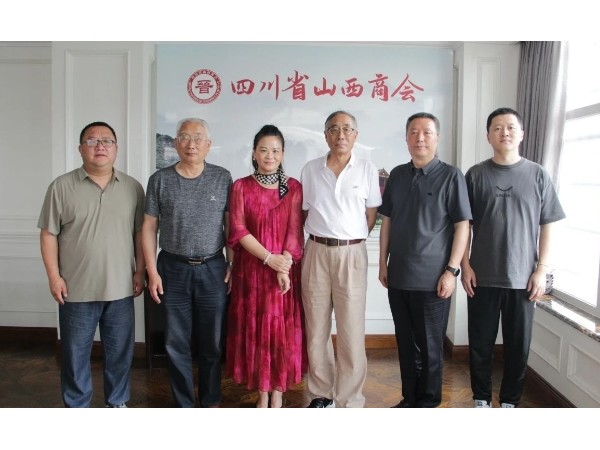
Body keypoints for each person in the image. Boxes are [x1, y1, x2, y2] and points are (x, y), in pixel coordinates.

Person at [460, 107, 566, 408]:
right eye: (497, 128)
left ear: (521, 134)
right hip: (481, 277)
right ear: (488, 136)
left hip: (523, 278)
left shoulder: (538, 174)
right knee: (480, 344)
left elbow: (548, 224)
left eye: (510, 127)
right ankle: (481, 399)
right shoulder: (475, 175)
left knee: (518, 347)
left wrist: (541, 269)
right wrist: (465, 265)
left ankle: (509, 402)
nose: (504, 132)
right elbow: (463, 225)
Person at [38, 121, 145, 408]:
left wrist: (140, 270)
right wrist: (53, 276)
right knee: (74, 355)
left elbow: (140, 233)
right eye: (92, 141)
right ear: (80, 148)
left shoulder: (133, 188)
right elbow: (48, 234)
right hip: (75, 290)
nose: (100, 146)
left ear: (116, 148)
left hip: (121, 288)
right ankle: (77, 406)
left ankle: (117, 402)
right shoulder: (61, 186)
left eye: (107, 141)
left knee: (120, 353)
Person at [378, 112, 471, 408]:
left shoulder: (451, 176)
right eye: (414, 132)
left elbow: (462, 226)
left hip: (433, 280)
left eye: (427, 132)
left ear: (437, 138)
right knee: (406, 345)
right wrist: (382, 263)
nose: (420, 138)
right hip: (399, 276)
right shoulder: (397, 175)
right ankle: (410, 399)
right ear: (406, 138)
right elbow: (388, 221)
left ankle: (428, 403)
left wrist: (451, 271)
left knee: (431, 348)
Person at [142, 117, 232, 408]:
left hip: (213, 269)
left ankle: (210, 402)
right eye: (184, 137)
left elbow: (230, 227)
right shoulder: (159, 180)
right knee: (175, 343)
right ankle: (184, 405)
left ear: (209, 144)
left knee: (212, 343)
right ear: (175, 143)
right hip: (172, 269)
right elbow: (148, 228)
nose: (191, 144)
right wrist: (151, 271)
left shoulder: (222, 177)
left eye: (198, 137)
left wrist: (232, 264)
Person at [301, 110, 382, 408]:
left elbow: (371, 215)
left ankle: (349, 399)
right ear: (325, 136)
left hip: (352, 254)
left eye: (347, 129)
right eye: (334, 129)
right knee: (316, 329)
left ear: (356, 135)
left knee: (351, 330)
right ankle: (321, 394)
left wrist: (350, 238)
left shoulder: (367, 169)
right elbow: (304, 211)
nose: (341, 135)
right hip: (316, 251)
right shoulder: (311, 169)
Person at [226, 124, 306, 408]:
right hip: (252, 271)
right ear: (254, 154)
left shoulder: (293, 187)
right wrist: (269, 259)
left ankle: (278, 393)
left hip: (284, 272)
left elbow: (295, 231)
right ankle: (262, 393)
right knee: (256, 329)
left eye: (275, 150)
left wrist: (282, 267)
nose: (269, 155)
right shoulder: (241, 186)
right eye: (263, 150)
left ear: (282, 154)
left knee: (280, 330)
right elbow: (238, 229)